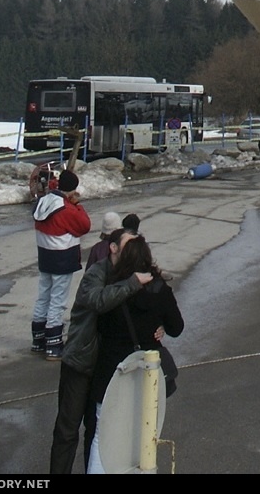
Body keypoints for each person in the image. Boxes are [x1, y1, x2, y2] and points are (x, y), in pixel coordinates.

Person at [49, 227, 153, 474]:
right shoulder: (97, 272)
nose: (132, 248)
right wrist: (131, 284)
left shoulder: (129, 276)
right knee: (67, 429)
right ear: (113, 248)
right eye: (127, 243)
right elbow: (97, 300)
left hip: (106, 367)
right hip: (80, 361)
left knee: (97, 431)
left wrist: (157, 326)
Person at [86, 235, 184, 474]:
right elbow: (177, 327)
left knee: (103, 436)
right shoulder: (159, 288)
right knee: (142, 434)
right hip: (146, 374)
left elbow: (98, 325)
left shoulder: (112, 287)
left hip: (110, 372)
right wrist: (159, 325)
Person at [32, 168, 91, 359]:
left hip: (45, 256)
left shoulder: (43, 202)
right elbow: (84, 226)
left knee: (43, 297)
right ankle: (53, 343)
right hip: (62, 257)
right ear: (72, 189)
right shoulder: (67, 208)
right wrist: (78, 205)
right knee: (57, 301)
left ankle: (38, 340)